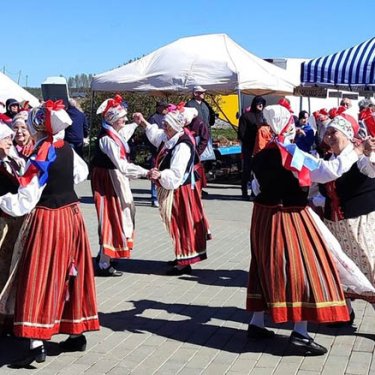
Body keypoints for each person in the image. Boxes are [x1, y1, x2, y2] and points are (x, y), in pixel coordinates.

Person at [246, 104, 364, 356]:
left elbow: (256, 188)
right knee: (306, 269)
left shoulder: (262, 153)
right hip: (288, 216)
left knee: (264, 265)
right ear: (287, 125)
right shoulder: (290, 153)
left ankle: (256, 323)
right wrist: (354, 151)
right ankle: (300, 332)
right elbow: (328, 171)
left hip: (263, 216)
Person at [0, 100, 99, 367]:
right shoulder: (64, 147)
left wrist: (1, 201)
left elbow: (26, 200)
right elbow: (82, 173)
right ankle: (77, 333)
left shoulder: (42, 153)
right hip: (73, 215)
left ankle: (36, 344)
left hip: (49, 220)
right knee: (71, 272)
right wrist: (60, 182)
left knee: (40, 275)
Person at [133, 110, 210, 276]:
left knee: (182, 222)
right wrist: (143, 122)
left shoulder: (182, 145)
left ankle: (185, 261)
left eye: (166, 125)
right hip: (177, 188)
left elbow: (176, 173)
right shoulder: (171, 137)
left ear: (175, 126)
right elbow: (156, 136)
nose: (163, 127)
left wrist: (160, 174)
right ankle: (181, 256)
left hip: (181, 190)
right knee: (176, 222)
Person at [319, 113, 375, 324]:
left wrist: (369, 154)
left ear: (348, 135)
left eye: (334, 132)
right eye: (328, 133)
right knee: (339, 268)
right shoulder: (328, 161)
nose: (329, 137)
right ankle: (345, 312)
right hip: (335, 227)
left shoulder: (360, 158)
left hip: (360, 224)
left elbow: (370, 171)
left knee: (369, 266)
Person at [91, 95, 149, 277]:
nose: (125, 119)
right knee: (110, 217)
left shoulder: (112, 133)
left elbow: (123, 135)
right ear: (114, 119)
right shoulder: (106, 139)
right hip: (108, 180)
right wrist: (145, 172)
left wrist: (136, 124)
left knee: (123, 214)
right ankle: (103, 262)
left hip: (114, 178)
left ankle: (106, 255)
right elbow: (122, 165)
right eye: (122, 117)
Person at [0, 124, 25, 335]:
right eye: (6, 138)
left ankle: (8, 317)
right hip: (2, 223)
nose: (11, 140)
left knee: (9, 269)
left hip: (13, 222)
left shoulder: (11, 161)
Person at [186, 86, 216, 194]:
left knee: (202, 163)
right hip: (195, 137)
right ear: (195, 93)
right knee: (194, 162)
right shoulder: (190, 105)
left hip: (205, 136)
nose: (203, 94)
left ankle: (200, 186)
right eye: (201, 92)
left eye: (204, 92)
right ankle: (193, 186)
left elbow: (209, 119)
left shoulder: (205, 105)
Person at [237, 96, 266, 199]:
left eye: (262, 103)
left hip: (260, 148)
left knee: (259, 171)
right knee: (247, 170)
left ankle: (256, 192)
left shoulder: (263, 117)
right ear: (254, 103)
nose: (260, 105)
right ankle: (244, 192)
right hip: (249, 147)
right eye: (258, 103)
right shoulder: (246, 116)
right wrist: (249, 143)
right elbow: (241, 133)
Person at [148, 100, 169, 207]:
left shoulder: (168, 117)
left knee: (164, 173)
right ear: (158, 107)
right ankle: (154, 196)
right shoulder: (153, 118)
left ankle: (163, 196)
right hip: (156, 150)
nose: (166, 109)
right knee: (155, 172)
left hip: (166, 149)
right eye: (163, 107)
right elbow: (150, 135)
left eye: (166, 107)